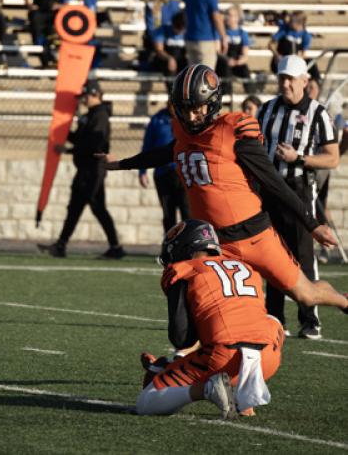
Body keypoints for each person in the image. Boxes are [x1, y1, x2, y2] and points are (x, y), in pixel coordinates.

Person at [98, 64, 348, 317]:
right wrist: (120, 164)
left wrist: (312, 225)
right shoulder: (183, 138)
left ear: (212, 102)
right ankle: (184, 353)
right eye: (186, 110)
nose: (192, 117)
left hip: (256, 235)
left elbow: (274, 182)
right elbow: (161, 154)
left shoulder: (233, 132)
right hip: (215, 243)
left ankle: (344, 301)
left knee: (305, 295)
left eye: (197, 109)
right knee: (202, 298)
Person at [136, 219, 284, 417]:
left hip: (223, 358)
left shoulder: (184, 271)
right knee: (272, 320)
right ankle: (243, 396)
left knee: (147, 402)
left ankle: (207, 389)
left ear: (185, 249)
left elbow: (181, 338)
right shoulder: (245, 267)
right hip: (268, 358)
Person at [257, 55, 339, 339]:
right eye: (282, 77)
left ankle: (310, 320)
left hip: (300, 189)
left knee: (303, 257)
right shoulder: (266, 110)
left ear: (305, 80)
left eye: (291, 78)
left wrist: (299, 157)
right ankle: (275, 319)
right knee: (271, 255)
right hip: (269, 192)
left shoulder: (319, 113)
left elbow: (333, 159)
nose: (286, 83)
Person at [39, 80, 125, 259]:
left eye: (85, 96)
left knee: (82, 206)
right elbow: (80, 138)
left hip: (93, 169)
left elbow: (93, 144)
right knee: (91, 208)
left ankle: (62, 245)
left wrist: (69, 149)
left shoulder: (100, 115)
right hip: (87, 168)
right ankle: (113, 247)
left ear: (95, 94)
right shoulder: (91, 114)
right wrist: (62, 130)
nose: (83, 100)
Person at [139, 105, 190, 233]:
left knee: (188, 213)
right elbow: (147, 146)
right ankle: (170, 247)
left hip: (184, 174)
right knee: (168, 215)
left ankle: (191, 246)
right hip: (163, 174)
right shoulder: (157, 119)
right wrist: (142, 171)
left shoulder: (188, 117)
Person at [18, 0, 72, 67]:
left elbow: (67, 4)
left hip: (53, 17)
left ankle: (53, 60)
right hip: (39, 15)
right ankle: (46, 60)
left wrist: (57, 6)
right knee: (37, 32)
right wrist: (28, 3)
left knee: (53, 35)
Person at [183, 0, 227, 69]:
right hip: (205, 39)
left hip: (190, 37)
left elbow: (185, 15)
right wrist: (223, 37)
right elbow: (216, 17)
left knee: (193, 76)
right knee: (205, 77)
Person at [268, 11, 319, 81]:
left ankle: (316, 84)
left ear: (299, 23)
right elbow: (270, 44)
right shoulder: (284, 30)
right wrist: (277, 55)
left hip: (295, 63)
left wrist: (297, 60)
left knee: (311, 64)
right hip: (282, 61)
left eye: (291, 20)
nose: (288, 22)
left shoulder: (305, 35)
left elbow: (303, 53)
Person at [216, 4, 253, 94]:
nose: (227, 17)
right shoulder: (221, 31)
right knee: (225, 67)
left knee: (245, 70)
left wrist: (237, 62)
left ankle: (251, 95)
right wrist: (227, 59)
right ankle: (226, 95)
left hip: (236, 62)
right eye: (227, 14)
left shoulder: (242, 33)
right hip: (223, 61)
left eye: (230, 15)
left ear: (237, 18)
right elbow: (217, 51)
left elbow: (245, 55)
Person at [150, 11, 187, 77]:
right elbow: (159, 50)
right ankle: (172, 86)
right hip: (166, 59)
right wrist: (169, 58)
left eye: (182, 28)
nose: (179, 31)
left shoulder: (189, 33)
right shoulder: (162, 30)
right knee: (169, 65)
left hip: (182, 60)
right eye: (177, 27)